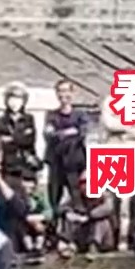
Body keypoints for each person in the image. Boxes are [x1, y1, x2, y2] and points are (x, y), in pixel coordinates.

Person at [43, 80, 88, 218]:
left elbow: (82, 133)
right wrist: (69, 132)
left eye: (67, 91)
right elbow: (49, 134)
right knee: (54, 200)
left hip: (75, 163)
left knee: (78, 200)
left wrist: (61, 133)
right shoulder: (51, 115)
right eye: (60, 91)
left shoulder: (80, 115)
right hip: (56, 163)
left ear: (72, 93)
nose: (64, 94)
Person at [0, 83, 39, 180]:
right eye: (11, 99)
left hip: (26, 165)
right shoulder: (1, 121)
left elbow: (29, 140)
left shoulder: (29, 119)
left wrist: (12, 138)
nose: (14, 103)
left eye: (18, 99)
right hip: (8, 167)